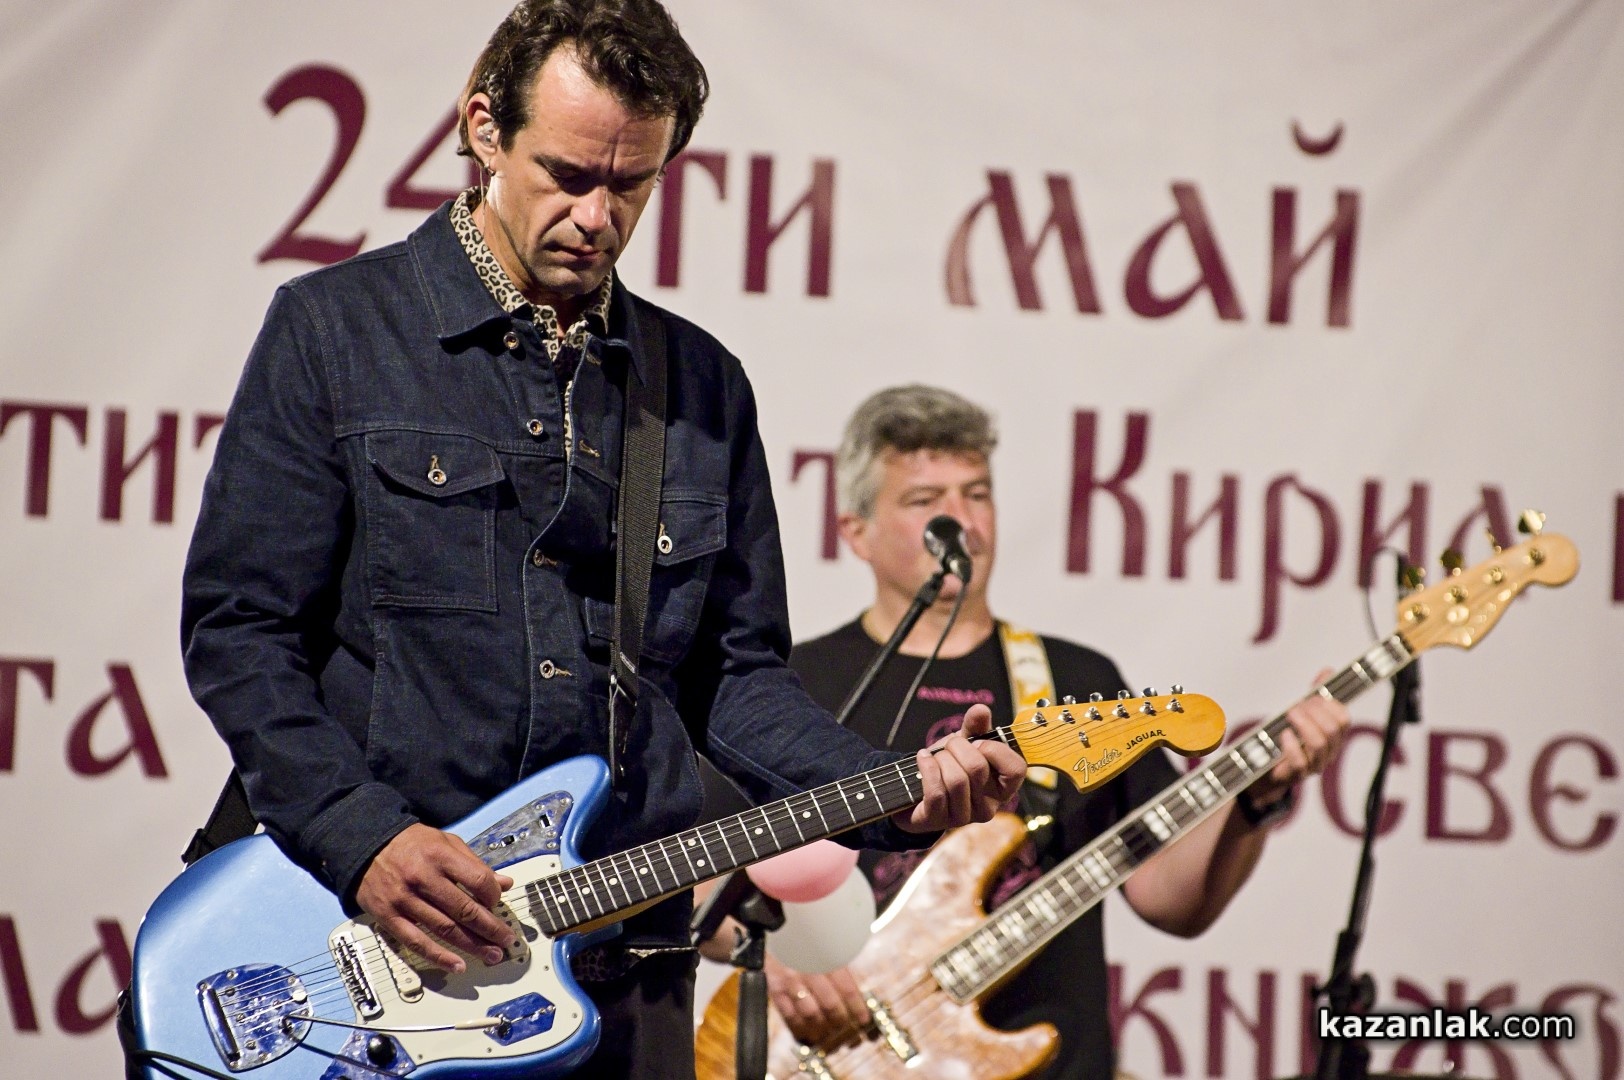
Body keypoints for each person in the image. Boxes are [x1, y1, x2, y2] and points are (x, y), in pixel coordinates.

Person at [176, 7, 1023, 1077]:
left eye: (631, 184)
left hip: (619, 975)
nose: (596, 216)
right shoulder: (337, 329)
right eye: (567, 174)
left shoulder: (700, 386)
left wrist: (898, 785)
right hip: (368, 949)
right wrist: (362, 836)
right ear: (484, 128)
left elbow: (735, 678)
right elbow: (239, 631)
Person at [702, 385, 1350, 1079]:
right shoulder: (793, 687)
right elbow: (695, 882)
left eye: (977, 494)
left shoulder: (1076, 680)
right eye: (925, 500)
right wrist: (775, 960)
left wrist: (1255, 799)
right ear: (854, 531)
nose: (961, 521)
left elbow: (1170, 902)